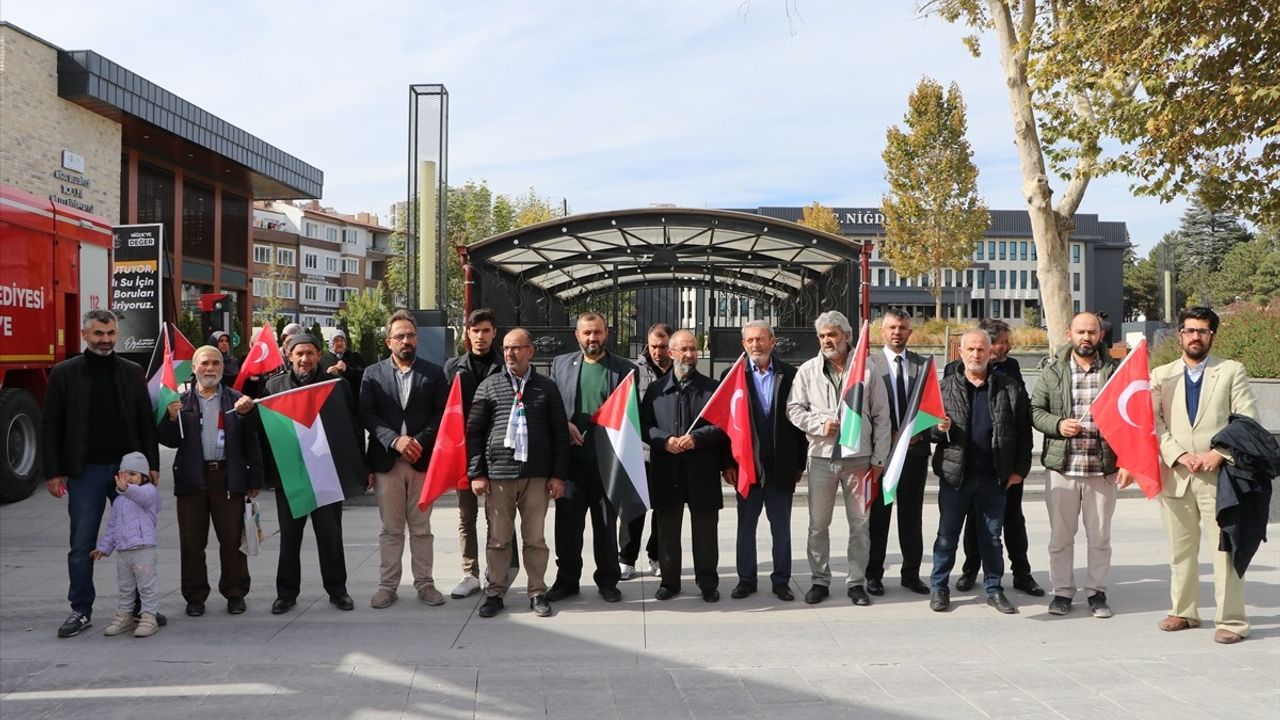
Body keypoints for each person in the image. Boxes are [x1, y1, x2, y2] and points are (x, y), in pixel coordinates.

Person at [42, 308, 161, 639]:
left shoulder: (132, 372)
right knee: (82, 544)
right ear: (85, 335)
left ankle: (141, 609)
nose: (106, 340)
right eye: (99, 334)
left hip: (129, 474)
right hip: (86, 473)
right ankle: (80, 610)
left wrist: (152, 465)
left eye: (110, 334)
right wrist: (53, 472)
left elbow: (144, 422)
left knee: (137, 542)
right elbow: (50, 425)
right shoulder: (64, 374)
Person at [1151, 306, 1258, 644]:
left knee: (1225, 551)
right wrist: (1178, 454)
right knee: (1180, 550)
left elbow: (1246, 421)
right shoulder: (1160, 375)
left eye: (1202, 331)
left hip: (1220, 477)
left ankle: (1231, 621)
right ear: (1179, 335)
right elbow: (1154, 425)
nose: (1195, 336)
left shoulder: (1231, 372)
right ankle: (1183, 612)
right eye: (1189, 330)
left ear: (1212, 335)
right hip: (1176, 475)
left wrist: (1219, 453)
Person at [787, 311, 892, 606]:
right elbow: (793, 410)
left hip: (859, 458)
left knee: (860, 525)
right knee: (818, 525)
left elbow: (882, 417)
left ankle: (856, 582)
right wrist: (818, 426)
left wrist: (879, 459)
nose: (826, 341)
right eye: (822, 336)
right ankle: (819, 580)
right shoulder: (807, 370)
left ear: (847, 336)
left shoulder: (867, 369)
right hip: (821, 458)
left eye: (832, 334)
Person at [466, 328, 570, 618]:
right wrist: (477, 473)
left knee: (534, 539)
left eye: (517, 347)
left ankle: (537, 591)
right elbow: (474, 433)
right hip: (498, 477)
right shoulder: (489, 385)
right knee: (498, 540)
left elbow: (560, 433)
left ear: (531, 352)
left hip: (537, 476)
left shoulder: (546, 387)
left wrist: (558, 475)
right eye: (507, 348)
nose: (510, 353)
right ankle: (495, 593)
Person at [1031, 312, 1129, 619]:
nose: (1086, 337)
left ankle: (1097, 592)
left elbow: (1131, 417)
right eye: (1080, 332)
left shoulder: (1115, 371)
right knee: (1061, 537)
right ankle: (1062, 592)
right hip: (1063, 467)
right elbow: (1035, 410)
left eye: (1091, 332)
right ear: (1069, 334)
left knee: (1099, 536)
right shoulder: (1053, 370)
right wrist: (1058, 425)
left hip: (1102, 468)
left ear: (1100, 336)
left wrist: (1127, 461)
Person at [927, 329, 1033, 615]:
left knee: (991, 537)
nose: (976, 355)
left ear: (991, 353)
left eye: (981, 350)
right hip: (955, 476)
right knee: (947, 535)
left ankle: (994, 589)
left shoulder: (1010, 388)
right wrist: (938, 429)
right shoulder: (943, 387)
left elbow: (1024, 433)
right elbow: (925, 430)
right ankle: (939, 587)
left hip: (993, 476)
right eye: (970, 349)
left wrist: (1020, 470)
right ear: (960, 352)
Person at [158, 345, 263, 617]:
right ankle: (195, 596)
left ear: (222, 368)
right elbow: (168, 440)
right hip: (192, 478)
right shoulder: (180, 402)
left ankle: (235, 593)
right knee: (192, 543)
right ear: (194, 368)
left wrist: (248, 415)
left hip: (227, 478)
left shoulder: (238, 400)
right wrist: (170, 418)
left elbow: (253, 439)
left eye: (215, 363)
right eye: (204, 363)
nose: (210, 369)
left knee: (231, 542)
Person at [263, 332, 361, 614]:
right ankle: (286, 593)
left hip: (326, 472)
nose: (304, 359)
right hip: (291, 475)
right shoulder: (273, 387)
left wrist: (358, 467)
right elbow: (263, 431)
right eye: (299, 354)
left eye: (310, 353)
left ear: (319, 355)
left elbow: (352, 428)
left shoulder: (335, 386)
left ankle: (337, 590)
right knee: (289, 539)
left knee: (330, 536)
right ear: (289, 356)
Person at [945, 319, 1042, 597]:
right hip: (972, 463)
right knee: (974, 520)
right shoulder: (955, 370)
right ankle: (970, 570)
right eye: (1003, 341)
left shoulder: (1011, 368)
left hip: (1006, 461)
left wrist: (1020, 467)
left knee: (1013, 519)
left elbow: (1020, 413)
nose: (1008, 346)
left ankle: (1022, 573)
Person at [360, 310, 449, 609]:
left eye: (411, 335)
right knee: (391, 529)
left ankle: (425, 584)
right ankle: (387, 587)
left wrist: (417, 442)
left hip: (422, 461)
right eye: (400, 336)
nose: (406, 341)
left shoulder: (434, 373)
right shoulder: (372, 374)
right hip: (386, 462)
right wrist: (395, 441)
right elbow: (367, 415)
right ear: (389, 342)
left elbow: (442, 414)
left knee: (421, 528)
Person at [548, 312, 636, 604]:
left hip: (606, 465)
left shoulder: (623, 369)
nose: (592, 338)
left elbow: (631, 415)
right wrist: (564, 424)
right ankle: (567, 580)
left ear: (606, 333)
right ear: (577, 335)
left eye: (597, 332)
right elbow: (551, 407)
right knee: (568, 528)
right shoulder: (560, 365)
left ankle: (608, 581)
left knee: (606, 528)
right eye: (586, 333)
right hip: (571, 465)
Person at [641, 329, 730, 603]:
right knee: (667, 530)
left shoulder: (712, 389)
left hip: (702, 470)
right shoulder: (655, 391)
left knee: (705, 530)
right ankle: (669, 581)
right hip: (667, 470)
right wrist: (664, 440)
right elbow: (644, 426)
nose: (690, 355)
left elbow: (723, 425)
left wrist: (697, 439)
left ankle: (707, 582)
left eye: (694, 349)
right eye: (684, 350)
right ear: (671, 353)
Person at [724, 321, 807, 602]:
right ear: (743, 344)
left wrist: (799, 464)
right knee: (746, 528)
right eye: (749, 341)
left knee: (781, 529)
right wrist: (728, 463)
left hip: (781, 466)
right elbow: (726, 426)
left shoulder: (791, 374)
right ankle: (746, 579)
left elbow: (800, 424)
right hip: (747, 467)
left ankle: (781, 580)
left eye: (760, 339)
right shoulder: (732, 376)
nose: (755, 345)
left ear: (773, 341)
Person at [866, 309, 931, 595]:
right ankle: (874, 574)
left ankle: (911, 574)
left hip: (914, 454)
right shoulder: (869, 365)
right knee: (878, 518)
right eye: (892, 327)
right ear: (882, 331)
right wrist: (885, 436)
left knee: (911, 517)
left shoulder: (923, 365)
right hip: (880, 456)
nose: (897, 332)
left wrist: (920, 432)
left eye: (903, 328)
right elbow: (862, 408)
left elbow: (932, 407)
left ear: (910, 332)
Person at [442, 308, 505, 599]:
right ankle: (470, 572)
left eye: (486, 330)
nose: (480, 336)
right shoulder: (453, 368)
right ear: (468, 332)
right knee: (466, 516)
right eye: (475, 330)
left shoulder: (504, 365)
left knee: (497, 516)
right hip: (463, 453)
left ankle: (496, 571)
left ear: (494, 333)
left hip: (498, 451)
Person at [619, 322, 673, 580]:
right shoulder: (633, 371)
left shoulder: (680, 370)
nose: (658, 352)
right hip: (638, 451)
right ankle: (626, 559)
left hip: (668, 452)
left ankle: (656, 555)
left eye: (663, 347)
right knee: (633, 509)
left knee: (663, 509)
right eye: (654, 346)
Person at [90, 452, 162, 637]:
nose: (128, 478)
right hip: (123, 552)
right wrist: (104, 547)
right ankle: (125, 616)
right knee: (126, 587)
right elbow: (113, 527)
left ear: (143, 477)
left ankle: (149, 617)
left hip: (143, 550)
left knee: (146, 586)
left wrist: (126, 489)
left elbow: (142, 496)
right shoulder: (120, 501)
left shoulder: (148, 492)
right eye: (125, 474)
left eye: (133, 474)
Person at [320, 329, 367, 403]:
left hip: (353, 401)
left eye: (342, 340)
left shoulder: (355, 357)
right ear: (331, 343)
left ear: (346, 343)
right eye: (336, 341)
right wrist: (327, 375)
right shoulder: (323, 360)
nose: (339, 343)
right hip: (332, 401)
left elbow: (364, 375)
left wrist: (347, 369)